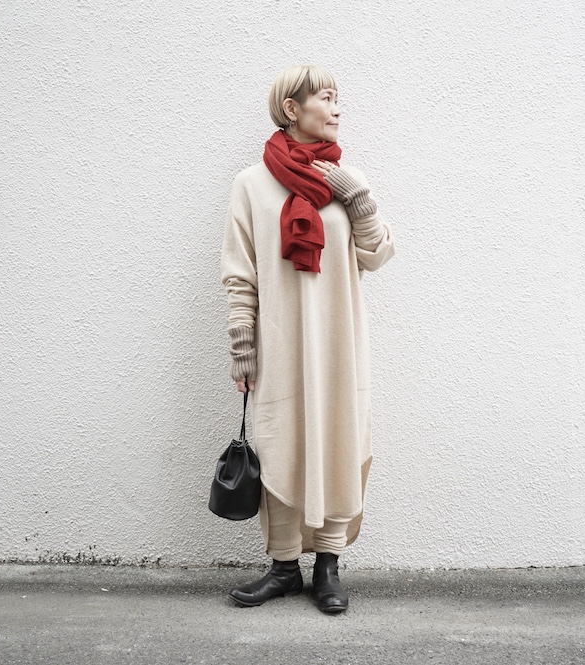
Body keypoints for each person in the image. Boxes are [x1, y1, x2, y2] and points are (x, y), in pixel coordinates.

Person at [220, 64, 395, 613]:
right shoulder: (252, 184)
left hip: (339, 343)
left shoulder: (346, 179)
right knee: (281, 445)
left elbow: (377, 254)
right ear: (292, 109)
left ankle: (328, 567)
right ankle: (283, 568)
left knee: (339, 441)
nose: (338, 108)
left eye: (338, 98)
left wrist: (356, 197)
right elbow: (240, 274)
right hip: (281, 344)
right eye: (326, 97)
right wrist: (243, 348)